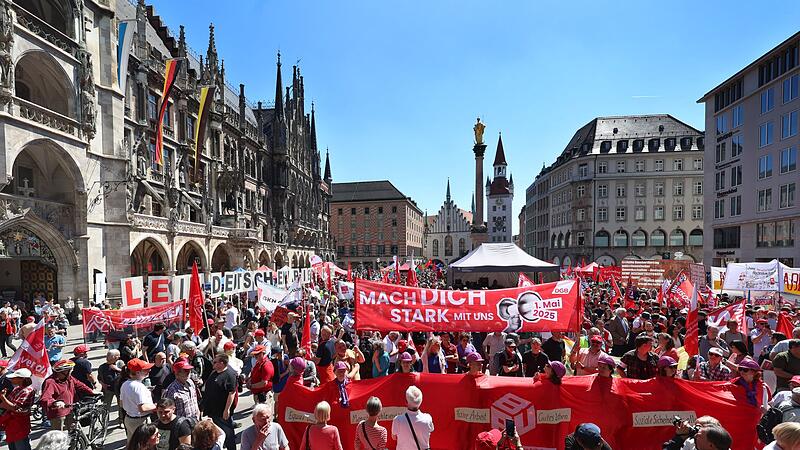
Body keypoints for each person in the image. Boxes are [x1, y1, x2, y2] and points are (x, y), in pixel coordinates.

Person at [41, 359, 95, 430]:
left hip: (70, 409)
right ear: (64, 372)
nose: (71, 372)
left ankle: (74, 441)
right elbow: (45, 398)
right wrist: (55, 403)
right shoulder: (50, 382)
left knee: (74, 430)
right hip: (58, 413)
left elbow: (80, 385)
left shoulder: (69, 378)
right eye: (70, 370)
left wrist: (92, 391)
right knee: (58, 436)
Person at [203, 354, 237, 450]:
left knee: (228, 434)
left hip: (221, 411)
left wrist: (227, 410)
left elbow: (232, 393)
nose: (213, 364)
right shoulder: (214, 373)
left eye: (215, 362)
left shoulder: (230, 375)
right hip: (211, 411)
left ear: (221, 363)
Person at [120, 358, 157, 438]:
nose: (149, 370)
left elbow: (121, 404)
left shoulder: (125, 384)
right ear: (138, 372)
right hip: (140, 421)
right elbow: (142, 408)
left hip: (129, 419)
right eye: (146, 369)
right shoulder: (138, 386)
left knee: (133, 444)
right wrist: (157, 406)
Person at [0, 368, 35, 450]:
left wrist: (3, 398)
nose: (11, 379)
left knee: (21, 445)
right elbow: (5, 405)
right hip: (11, 423)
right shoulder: (17, 389)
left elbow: (14, 407)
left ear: (21, 379)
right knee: (12, 446)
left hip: (19, 424)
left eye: (14, 378)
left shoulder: (27, 391)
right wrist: (5, 402)